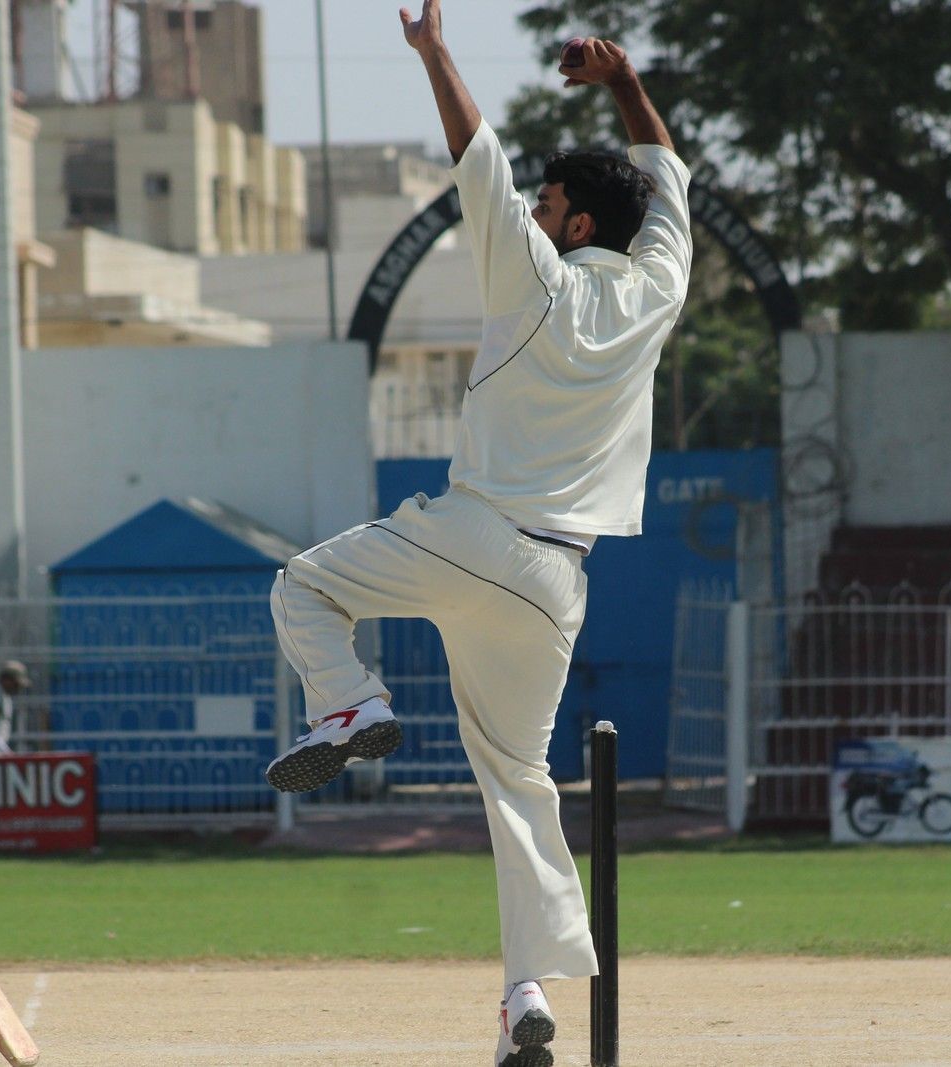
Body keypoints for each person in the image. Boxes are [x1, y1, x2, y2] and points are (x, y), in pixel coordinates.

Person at [263, 4, 690, 1064]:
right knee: (519, 782)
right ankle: (524, 996)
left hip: (479, 532)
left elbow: (477, 155)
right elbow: (665, 171)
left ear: (575, 226)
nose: (535, 212)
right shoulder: (659, 285)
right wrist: (625, 83)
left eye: (548, 205)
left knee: (304, 586)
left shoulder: (535, 278)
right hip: (558, 583)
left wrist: (435, 52)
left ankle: (349, 701)